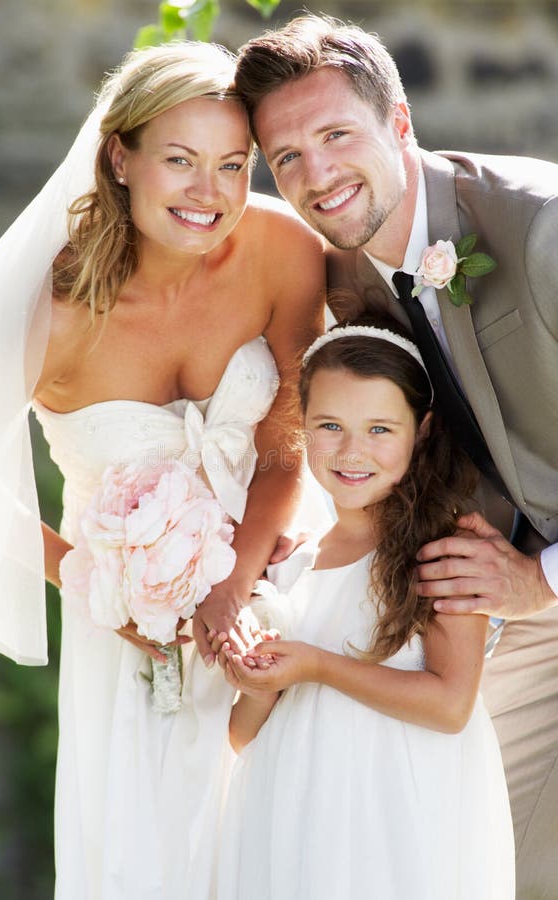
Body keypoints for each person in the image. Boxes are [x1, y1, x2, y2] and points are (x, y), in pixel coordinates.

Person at [0, 42, 326, 898]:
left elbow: (286, 444)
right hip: (129, 645)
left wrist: (234, 585)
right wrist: (101, 590)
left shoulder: (280, 250)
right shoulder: (48, 308)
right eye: (181, 161)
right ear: (121, 157)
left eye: (233, 165)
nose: (211, 194)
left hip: (272, 603)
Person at [234, 16, 558, 895]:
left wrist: (547, 581)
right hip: (503, 604)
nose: (316, 173)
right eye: (287, 156)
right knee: (477, 853)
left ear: (401, 122)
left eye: (337, 134)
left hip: (541, 583)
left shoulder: (542, 230)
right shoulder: (345, 274)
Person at [215, 320, 514, 899]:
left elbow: (452, 704)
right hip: (295, 819)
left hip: (397, 818)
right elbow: (242, 738)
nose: (352, 451)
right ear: (301, 428)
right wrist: (255, 685)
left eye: (380, 429)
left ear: (421, 432)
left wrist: (317, 666)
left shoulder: (443, 551)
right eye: (331, 426)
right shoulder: (294, 560)